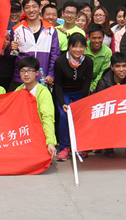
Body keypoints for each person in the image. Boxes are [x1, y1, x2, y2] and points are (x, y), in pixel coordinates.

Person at [54, 33, 93, 161]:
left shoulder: (88, 61)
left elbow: (87, 83)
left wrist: (80, 102)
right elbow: (57, 84)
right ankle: (64, 147)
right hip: (64, 92)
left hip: (79, 93)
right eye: (74, 46)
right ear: (69, 46)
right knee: (64, 115)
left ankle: (80, 146)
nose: (78, 50)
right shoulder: (60, 61)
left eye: (81, 46)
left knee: (80, 116)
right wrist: (62, 102)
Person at [93, 52, 126, 159]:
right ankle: (108, 145)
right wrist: (113, 94)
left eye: (124, 66)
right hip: (110, 112)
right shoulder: (104, 81)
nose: (121, 69)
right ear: (112, 67)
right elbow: (98, 102)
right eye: (118, 66)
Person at [10, 0, 60, 88]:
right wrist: (10, 48)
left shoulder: (50, 29)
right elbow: (11, 56)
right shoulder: (16, 29)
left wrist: (51, 74)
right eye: (27, 7)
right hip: (21, 79)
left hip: (43, 78)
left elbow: (55, 54)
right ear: (23, 10)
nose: (31, 10)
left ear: (40, 8)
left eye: (34, 6)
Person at [14, 56, 57, 160]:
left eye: (29, 71)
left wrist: (50, 142)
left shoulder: (43, 92)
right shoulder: (17, 91)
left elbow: (47, 118)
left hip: (38, 134)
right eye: (23, 71)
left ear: (37, 73)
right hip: (22, 134)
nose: (26, 74)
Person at [84, 24, 111, 92]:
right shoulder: (83, 48)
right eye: (94, 38)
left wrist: (92, 88)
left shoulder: (107, 52)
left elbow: (103, 72)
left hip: (99, 84)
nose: (97, 41)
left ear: (103, 37)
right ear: (89, 37)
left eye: (99, 38)